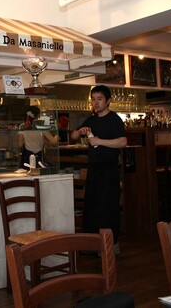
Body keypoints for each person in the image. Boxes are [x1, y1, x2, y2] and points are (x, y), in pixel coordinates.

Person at [71, 85, 127, 254]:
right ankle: (92, 245)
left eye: (99, 99)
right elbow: (73, 135)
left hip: (109, 170)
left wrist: (99, 141)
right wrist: (80, 131)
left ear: (108, 101)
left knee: (108, 207)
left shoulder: (114, 119)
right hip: (93, 169)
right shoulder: (91, 120)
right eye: (93, 99)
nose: (96, 102)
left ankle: (111, 245)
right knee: (91, 206)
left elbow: (123, 142)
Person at [18, 105, 59, 171]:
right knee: (40, 173)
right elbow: (53, 142)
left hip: (26, 156)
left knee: (26, 174)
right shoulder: (41, 126)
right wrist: (57, 135)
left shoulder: (22, 126)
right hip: (39, 156)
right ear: (37, 116)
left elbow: (20, 145)